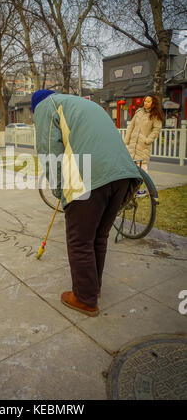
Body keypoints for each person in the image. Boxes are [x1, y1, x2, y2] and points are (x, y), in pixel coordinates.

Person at [31, 89, 142, 317]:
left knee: (80, 240)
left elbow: (50, 152)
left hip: (90, 177)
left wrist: (59, 190)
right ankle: (93, 287)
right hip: (123, 175)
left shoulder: (44, 106)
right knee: (98, 236)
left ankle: (84, 298)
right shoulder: (79, 104)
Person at [124, 94, 164, 193]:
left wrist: (148, 140)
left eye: (148, 101)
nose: (146, 103)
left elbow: (156, 129)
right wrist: (126, 141)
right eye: (145, 101)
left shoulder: (155, 115)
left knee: (142, 168)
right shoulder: (138, 112)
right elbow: (131, 127)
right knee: (131, 166)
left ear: (153, 103)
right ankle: (133, 189)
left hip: (143, 145)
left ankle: (145, 189)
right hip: (132, 144)